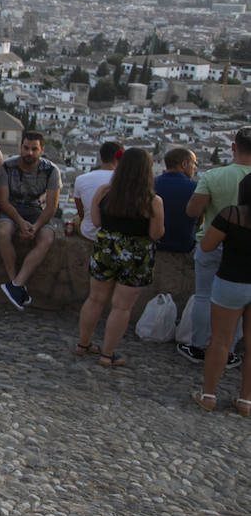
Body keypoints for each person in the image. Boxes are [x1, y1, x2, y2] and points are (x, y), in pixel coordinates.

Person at [75, 148, 164, 367]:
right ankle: (107, 354)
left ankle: (83, 344)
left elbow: (95, 222)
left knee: (95, 299)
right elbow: (154, 234)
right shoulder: (152, 201)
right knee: (121, 307)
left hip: (105, 249)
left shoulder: (105, 192)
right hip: (136, 255)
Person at [180, 127, 251, 366]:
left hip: (211, 242)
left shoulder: (213, 176)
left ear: (233, 147)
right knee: (241, 303)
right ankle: (228, 351)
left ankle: (199, 347)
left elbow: (192, 211)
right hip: (245, 251)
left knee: (203, 296)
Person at [192, 173, 251, 414]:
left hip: (231, 282)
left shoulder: (231, 215)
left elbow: (206, 246)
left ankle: (208, 395)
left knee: (220, 341)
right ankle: (246, 400)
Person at [0, 130, 61, 310]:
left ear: (41, 150)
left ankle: (17, 284)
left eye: (34, 149)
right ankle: (14, 283)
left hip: (36, 212)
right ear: (20, 147)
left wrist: (36, 225)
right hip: (12, 209)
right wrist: (20, 221)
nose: (29, 153)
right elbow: (3, 201)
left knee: (47, 238)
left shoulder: (51, 171)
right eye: (26, 148)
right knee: (3, 232)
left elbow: (51, 206)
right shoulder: (6, 167)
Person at [73, 141, 123, 241]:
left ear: (100, 158)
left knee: (75, 219)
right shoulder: (124, 180)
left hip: (89, 233)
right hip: (115, 235)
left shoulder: (80, 179)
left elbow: (81, 212)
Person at [155, 148, 198, 253]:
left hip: (156, 246)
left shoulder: (151, 184)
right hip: (184, 247)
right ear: (184, 164)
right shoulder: (196, 188)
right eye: (194, 163)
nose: (195, 168)